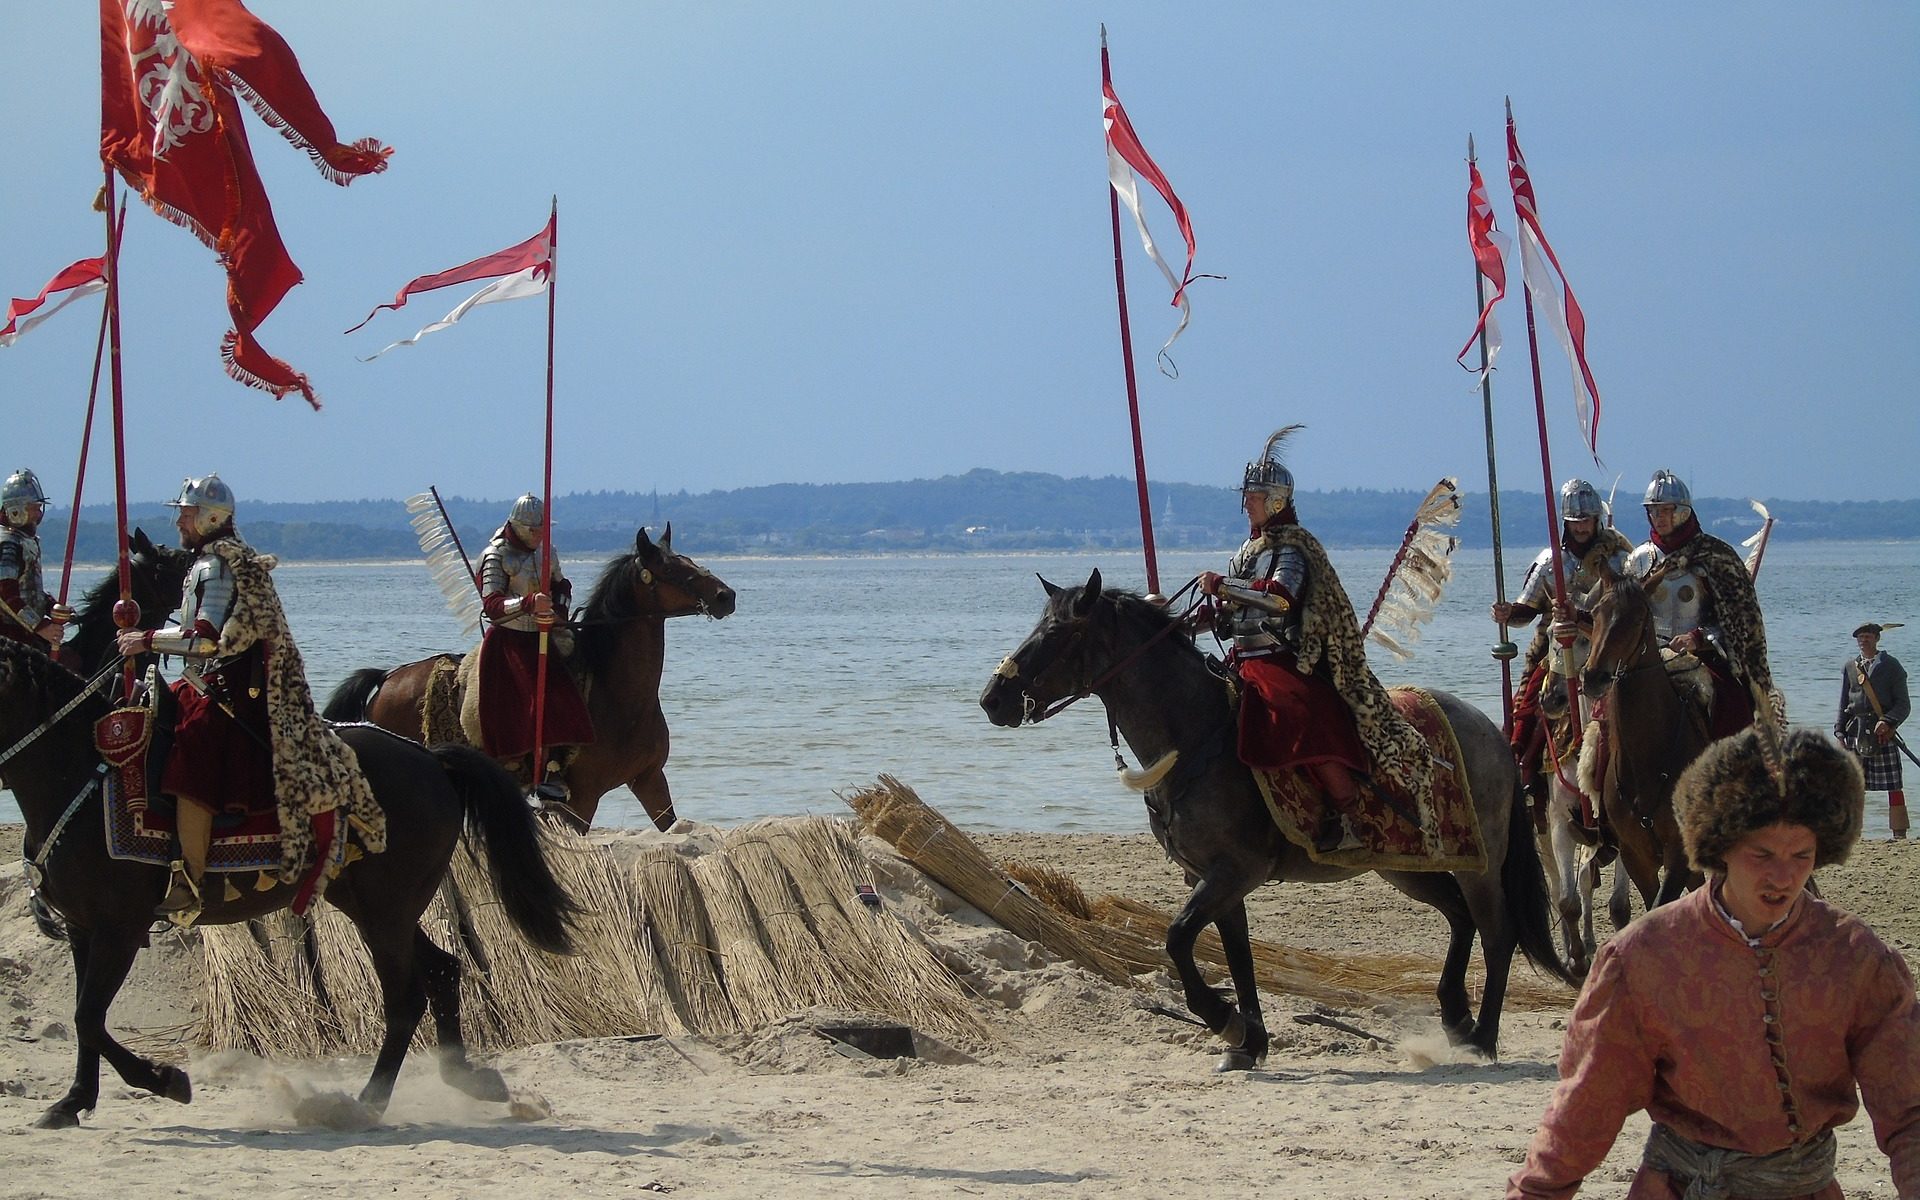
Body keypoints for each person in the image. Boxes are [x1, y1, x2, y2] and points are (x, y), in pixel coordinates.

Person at [1509, 727, 1920, 1199]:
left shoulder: (1858, 958)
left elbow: (1911, 1112)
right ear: (1721, 844)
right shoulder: (1642, 957)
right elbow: (1585, 1106)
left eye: (1801, 855)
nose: (1783, 876)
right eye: (1762, 854)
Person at [115, 474, 380, 922]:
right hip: (204, 681)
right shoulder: (205, 560)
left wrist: (149, 640)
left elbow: (206, 641)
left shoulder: (218, 566)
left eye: (186, 512)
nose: (179, 519)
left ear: (208, 517)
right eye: (181, 512)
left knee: (192, 748)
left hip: (230, 690)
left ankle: (188, 879)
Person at [1198, 426, 1433, 853]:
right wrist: (1186, 619)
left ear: (1274, 501)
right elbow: (1233, 609)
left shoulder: (1293, 549)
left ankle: (1346, 814)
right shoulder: (1246, 551)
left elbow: (1281, 600)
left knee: (1301, 716)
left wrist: (1225, 588)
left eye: (1251, 497)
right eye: (1245, 496)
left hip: (1281, 657)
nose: (1244, 504)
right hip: (1241, 657)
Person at [1491, 478, 1632, 801]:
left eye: (1586, 520)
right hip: (1555, 649)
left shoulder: (1620, 559)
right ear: (1565, 523)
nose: (1581, 527)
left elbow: (1630, 610)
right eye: (1575, 521)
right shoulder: (1550, 561)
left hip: (1607, 649)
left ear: (1596, 519)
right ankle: (1523, 781)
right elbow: (1527, 610)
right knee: (1526, 713)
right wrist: (1507, 612)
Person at [1624, 470, 1779, 739]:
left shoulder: (1716, 557)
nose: (1659, 518)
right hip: (1648, 656)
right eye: (1653, 511)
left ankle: (1734, 770)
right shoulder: (1638, 559)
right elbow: (1624, 615)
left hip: (1703, 655)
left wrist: (1697, 638)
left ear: (1682, 512)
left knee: (1734, 706)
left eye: (1665, 510)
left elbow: (1739, 622)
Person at [474, 493, 594, 800]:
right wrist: (527, 603)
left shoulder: (546, 551)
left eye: (544, 529)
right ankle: (515, 764)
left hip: (543, 634)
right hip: (509, 639)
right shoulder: (496, 555)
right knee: (524, 699)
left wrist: (559, 610)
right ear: (520, 526)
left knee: (563, 691)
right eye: (535, 529)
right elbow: (492, 605)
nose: (540, 535)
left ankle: (553, 766)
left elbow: (561, 585)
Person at [1838, 622, 1909, 840]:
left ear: (1877, 639)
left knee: (1894, 784)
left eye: (1868, 637)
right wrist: (1839, 732)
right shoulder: (1851, 666)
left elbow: (1903, 704)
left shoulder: (1892, 666)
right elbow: (1843, 702)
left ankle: (1899, 832)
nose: (1863, 641)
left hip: (1882, 732)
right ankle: (1852, 833)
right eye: (1860, 637)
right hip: (1855, 732)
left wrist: (1888, 721)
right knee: (1853, 785)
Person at [0, 468, 66, 651]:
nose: (38, 514)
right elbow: (6, 594)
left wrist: (52, 606)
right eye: (34, 508)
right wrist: (39, 626)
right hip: (8, 638)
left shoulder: (23, 540)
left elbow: (27, 589)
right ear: (16, 510)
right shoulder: (8, 544)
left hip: (24, 635)